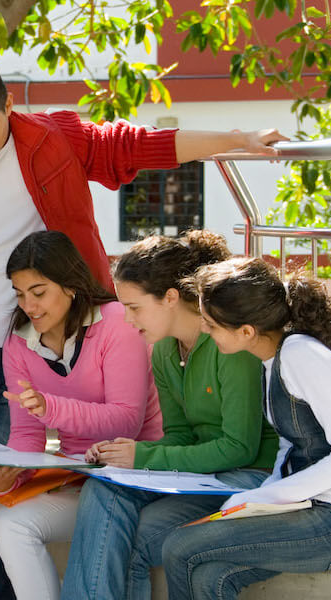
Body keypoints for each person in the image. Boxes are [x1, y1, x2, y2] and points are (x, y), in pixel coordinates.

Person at [0, 50, 287, 600]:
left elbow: (137, 145)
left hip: (24, 343)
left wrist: (235, 138)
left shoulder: (56, 139)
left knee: (14, 501)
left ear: (8, 103)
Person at [0, 231, 164, 600]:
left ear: (70, 286)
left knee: (14, 525)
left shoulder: (118, 323)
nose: (29, 305)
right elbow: (26, 434)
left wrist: (50, 406)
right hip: (67, 475)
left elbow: (126, 422)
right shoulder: (18, 342)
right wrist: (6, 476)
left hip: (120, 480)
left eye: (38, 292)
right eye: (20, 294)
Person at [59, 231, 280, 600]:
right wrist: (123, 455)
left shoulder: (230, 345)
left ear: (171, 298)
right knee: (104, 486)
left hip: (252, 477)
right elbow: (179, 434)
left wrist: (142, 456)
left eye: (135, 307)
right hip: (205, 476)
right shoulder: (162, 350)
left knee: (131, 538)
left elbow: (240, 448)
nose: (128, 320)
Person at [157, 257, 331, 599]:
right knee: (209, 574)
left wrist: (263, 497)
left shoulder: (301, 356)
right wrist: (257, 501)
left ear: (246, 331)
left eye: (210, 324)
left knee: (179, 545)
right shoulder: (273, 360)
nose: (204, 331)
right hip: (312, 511)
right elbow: (289, 445)